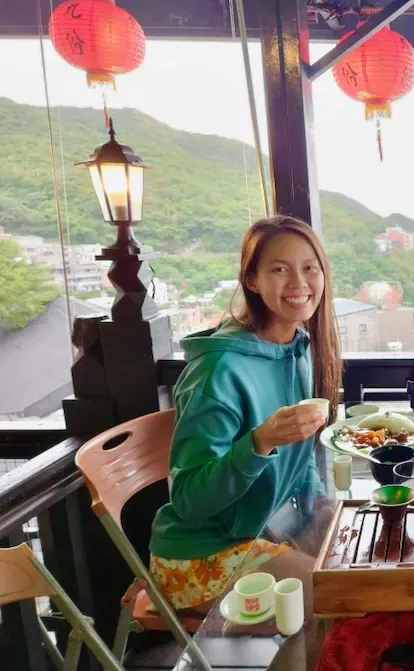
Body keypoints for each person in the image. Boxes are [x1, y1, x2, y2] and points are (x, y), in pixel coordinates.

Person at [148, 215, 342, 614]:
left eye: (310, 268)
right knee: (339, 599)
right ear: (252, 280)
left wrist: (318, 503)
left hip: (269, 529)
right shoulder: (217, 371)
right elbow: (188, 501)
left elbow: (300, 455)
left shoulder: (297, 348)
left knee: (366, 564)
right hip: (202, 554)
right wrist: (259, 442)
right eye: (279, 270)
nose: (299, 284)